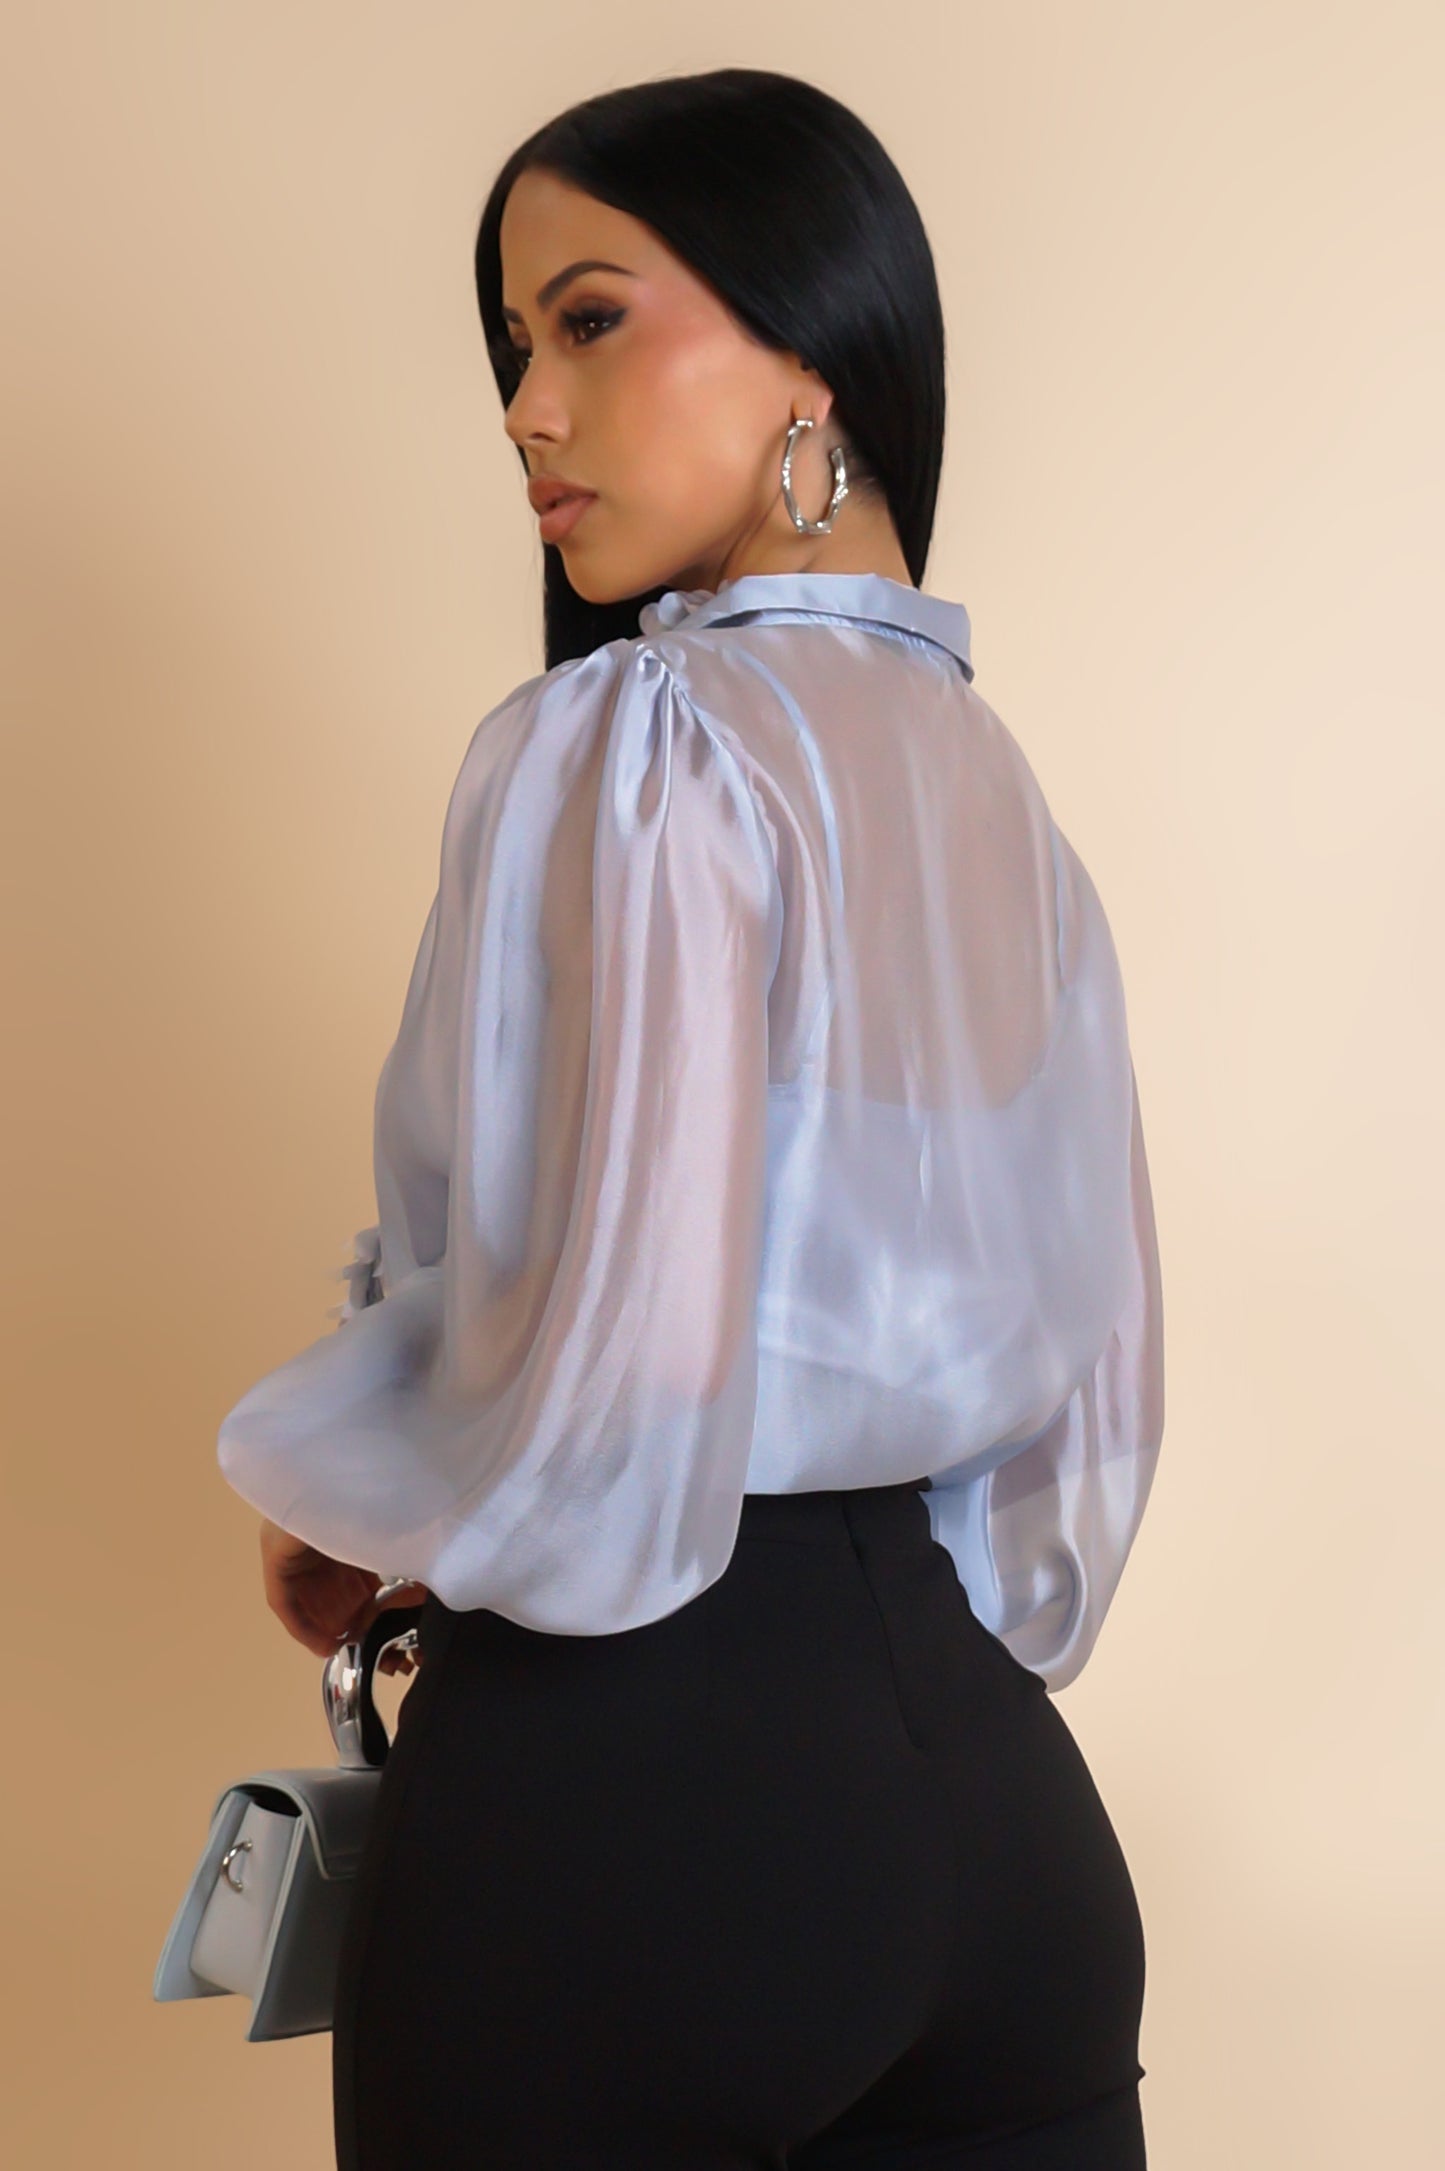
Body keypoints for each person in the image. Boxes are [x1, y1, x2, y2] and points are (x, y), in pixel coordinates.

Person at [217, 67, 1165, 2171]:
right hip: (1002, 1816)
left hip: (633, 1814)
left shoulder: (632, 737)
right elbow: (1088, 1379)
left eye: (589, 319)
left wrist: (379, 1499)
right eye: (511, 346)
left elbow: (596, 1335)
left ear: (813, 348)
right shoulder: (1006, 804)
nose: (524, 410)